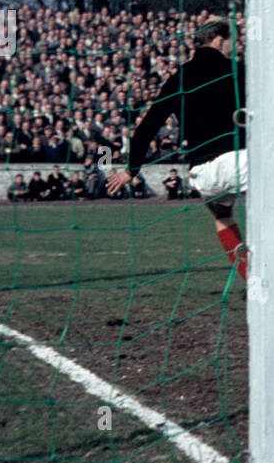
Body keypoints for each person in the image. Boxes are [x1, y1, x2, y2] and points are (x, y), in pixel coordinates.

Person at [106, 16, 248, 279]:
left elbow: (148, 125)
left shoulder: (178, 77)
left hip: (202, 173)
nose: (234, 47)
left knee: (223, 215)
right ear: (219, 40)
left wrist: (131, 169)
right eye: (231, 42)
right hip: (239, 160)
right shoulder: (237, 69)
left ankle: (252, 279)